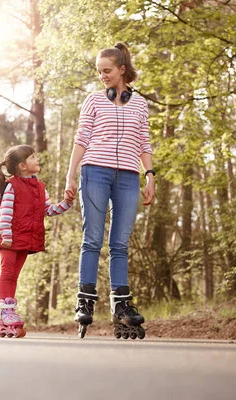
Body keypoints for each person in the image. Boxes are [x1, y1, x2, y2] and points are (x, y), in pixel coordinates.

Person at [64, 42, 155, 339]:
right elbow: (81, 139)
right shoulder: (93, 101)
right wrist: (70, 175)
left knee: (120, 244)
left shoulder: (140, 104)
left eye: (107, 71)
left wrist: (150, 176)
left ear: (122, 71)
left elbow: (144, 143)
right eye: (99, 71)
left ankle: (122, 307)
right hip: (95, 173)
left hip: (129, 176)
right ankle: (85, 300)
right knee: (92, 238)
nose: (102, 76)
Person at [0, 144, 75, 338]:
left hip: (25, 240)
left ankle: (4, 318)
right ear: (22, 165)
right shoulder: (12, 185)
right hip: (11, 240)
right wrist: (7, 236)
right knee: (8, 273)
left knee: (14, 275)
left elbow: (48, 210)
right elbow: (5, 212)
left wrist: (66, 204)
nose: (37, 160)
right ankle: (6, 311)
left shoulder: (39, 187)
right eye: (33, 157)